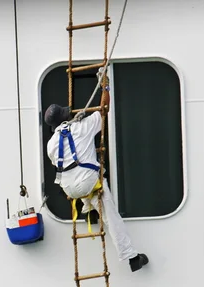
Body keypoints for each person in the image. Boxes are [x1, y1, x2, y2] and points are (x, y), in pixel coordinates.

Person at [44, 97, 149, 272]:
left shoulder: (50, 144)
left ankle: (88, 210)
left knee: (82, 177)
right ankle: (131, 256)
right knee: (110, 215)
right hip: (87, 183)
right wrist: (106, 88)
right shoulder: (81, 127)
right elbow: (104, 109)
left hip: (68, 187)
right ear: (65, 117)